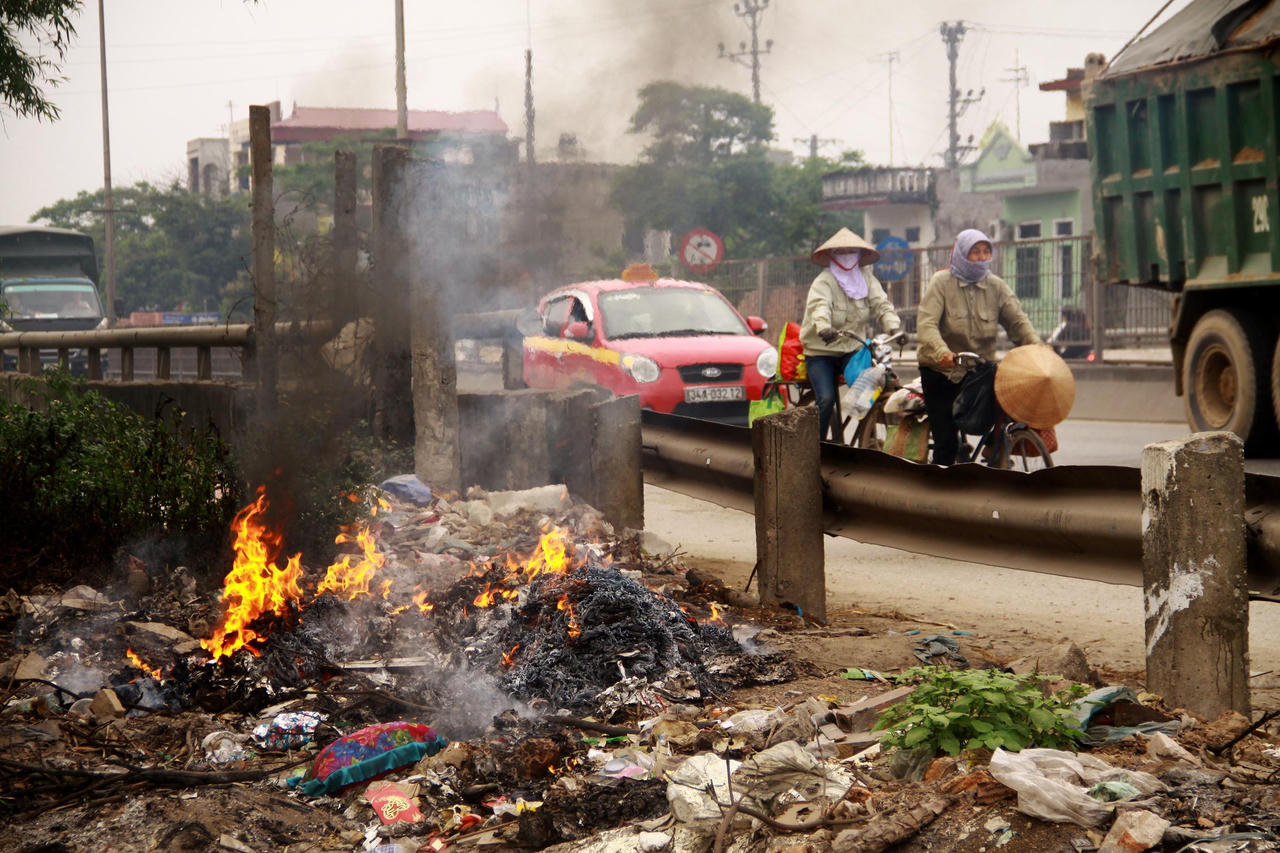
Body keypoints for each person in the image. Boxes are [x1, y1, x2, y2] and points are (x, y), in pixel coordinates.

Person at [916, 228, 1044, 465]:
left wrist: (1038, 349)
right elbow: (926, 324)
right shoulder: (941, 282)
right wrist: (942, 353)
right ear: (962, 254)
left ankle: (994, 446)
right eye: (976, 252)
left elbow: (1017, 321)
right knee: (946, 444)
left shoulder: (996, 286)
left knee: (1014, 393)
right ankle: (940, 489)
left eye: (986, 252)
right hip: (942, 370)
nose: (982, 257)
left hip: (979, 368)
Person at [800, 227, 901, 441]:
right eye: (840, 251)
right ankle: (815, 447)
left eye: (851, 251)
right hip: (821, 353)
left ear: (860, 255)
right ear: (831, 256)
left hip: (852, 350)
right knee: (826, 399)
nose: (846, 256)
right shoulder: (824, 281)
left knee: (874, 387)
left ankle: (868, 436)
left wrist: (893, 327)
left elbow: (881, 304)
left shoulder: (867, 278)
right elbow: (820, 307)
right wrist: (823, 327)